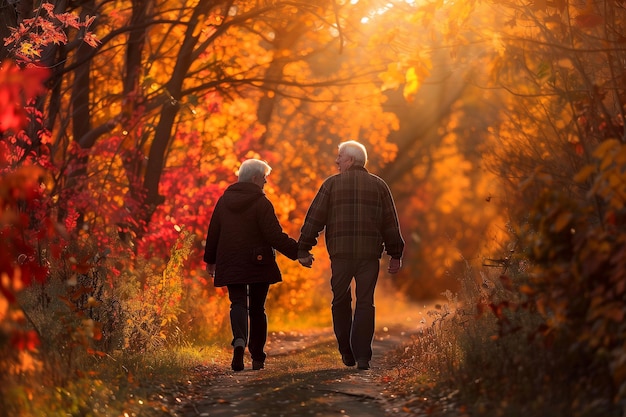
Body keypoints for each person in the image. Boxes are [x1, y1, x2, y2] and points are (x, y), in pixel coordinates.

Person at [297, 140, 404, 370]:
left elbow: (314, 219)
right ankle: (363, 356)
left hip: (341, 256)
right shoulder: (379, 186)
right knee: (365, 303)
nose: (336, 161)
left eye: (340, 157)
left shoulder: (331, 185)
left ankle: (346, 350)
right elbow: (390, 224)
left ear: (351, 160)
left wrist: (304, 248)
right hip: (368, 257)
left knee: (340, 300)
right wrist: (395, 254)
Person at [204, 159, 311, 371]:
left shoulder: (223, 201)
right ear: (254, 178)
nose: (265, 183)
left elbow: (213, 231)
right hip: (258, 261)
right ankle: (257, 357)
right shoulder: (261, 203)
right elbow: (274, 235)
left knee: (237, 304)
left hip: (230, 261)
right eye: (264, 178)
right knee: (257, 309)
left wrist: (211, 260)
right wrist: (298, 252)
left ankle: (239, 341)